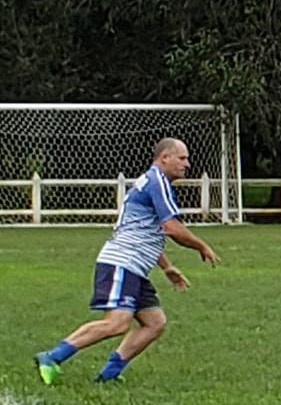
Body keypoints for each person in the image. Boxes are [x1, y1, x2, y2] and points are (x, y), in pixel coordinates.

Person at [33, 137, 220, 385]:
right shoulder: (157, 182)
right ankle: (51, 356)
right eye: (182, 158)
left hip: (134, 265)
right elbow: (172, 228)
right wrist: (202, 246)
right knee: (117, 323)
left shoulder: (150, 182)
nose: (187, 164)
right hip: (121, 263)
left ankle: (108, 376)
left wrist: (167, 267)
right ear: (165, 157)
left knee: (154, 323)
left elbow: (147, 231)